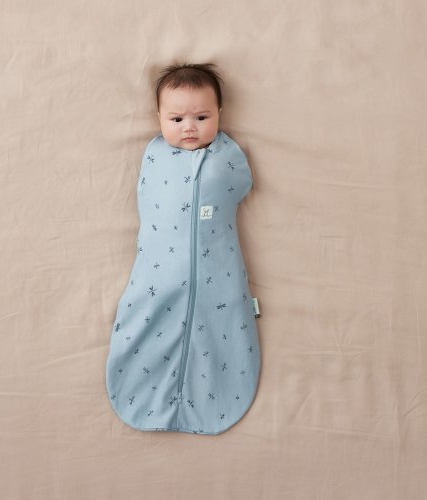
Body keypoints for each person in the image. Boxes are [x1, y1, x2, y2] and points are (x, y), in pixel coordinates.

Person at [106, 63, 261, 435]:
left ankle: (211, 401)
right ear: (159, 118)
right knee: (150, 325)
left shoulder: (227, 155)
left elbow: (241, 185)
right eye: (176, 119)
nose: (189, 127)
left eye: (201, 117)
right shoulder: (156, 155)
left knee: (219, 328)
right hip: (157, 277)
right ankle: (147, 397)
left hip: (218, 276)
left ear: (219, 113)